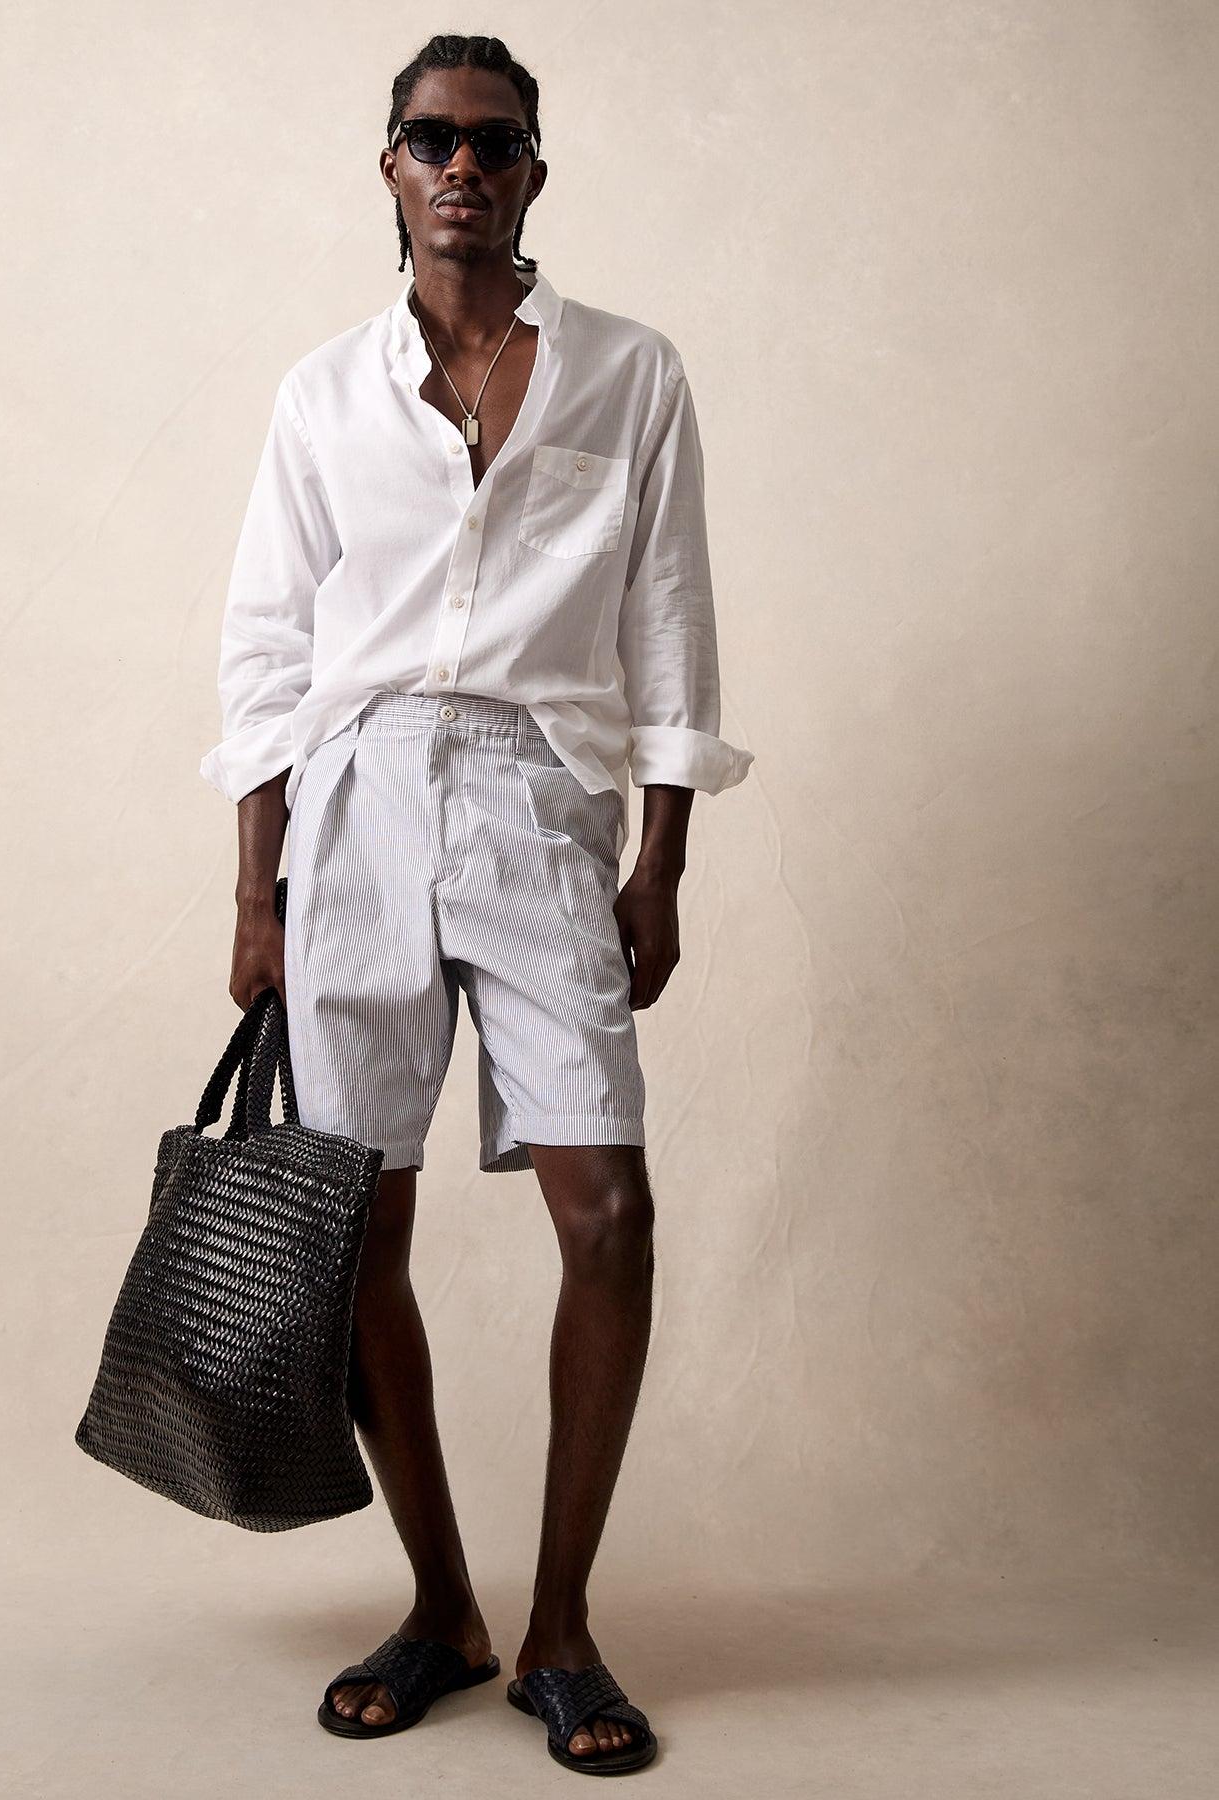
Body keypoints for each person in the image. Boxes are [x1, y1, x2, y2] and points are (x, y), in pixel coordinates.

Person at [200, 33, 753, 1775]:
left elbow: (669, 616)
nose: (462, 165)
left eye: (493, 141)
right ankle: (443, 1602)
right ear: (389, 166)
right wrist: (257, 892)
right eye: (431, 138)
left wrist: (661, 858)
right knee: (354, 1229)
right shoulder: (323, 395)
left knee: (610, 1211)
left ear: (532, 171)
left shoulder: (627, 374)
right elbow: (268, 650)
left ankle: (562, 1626)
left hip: (537, 801)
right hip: (353, 806)